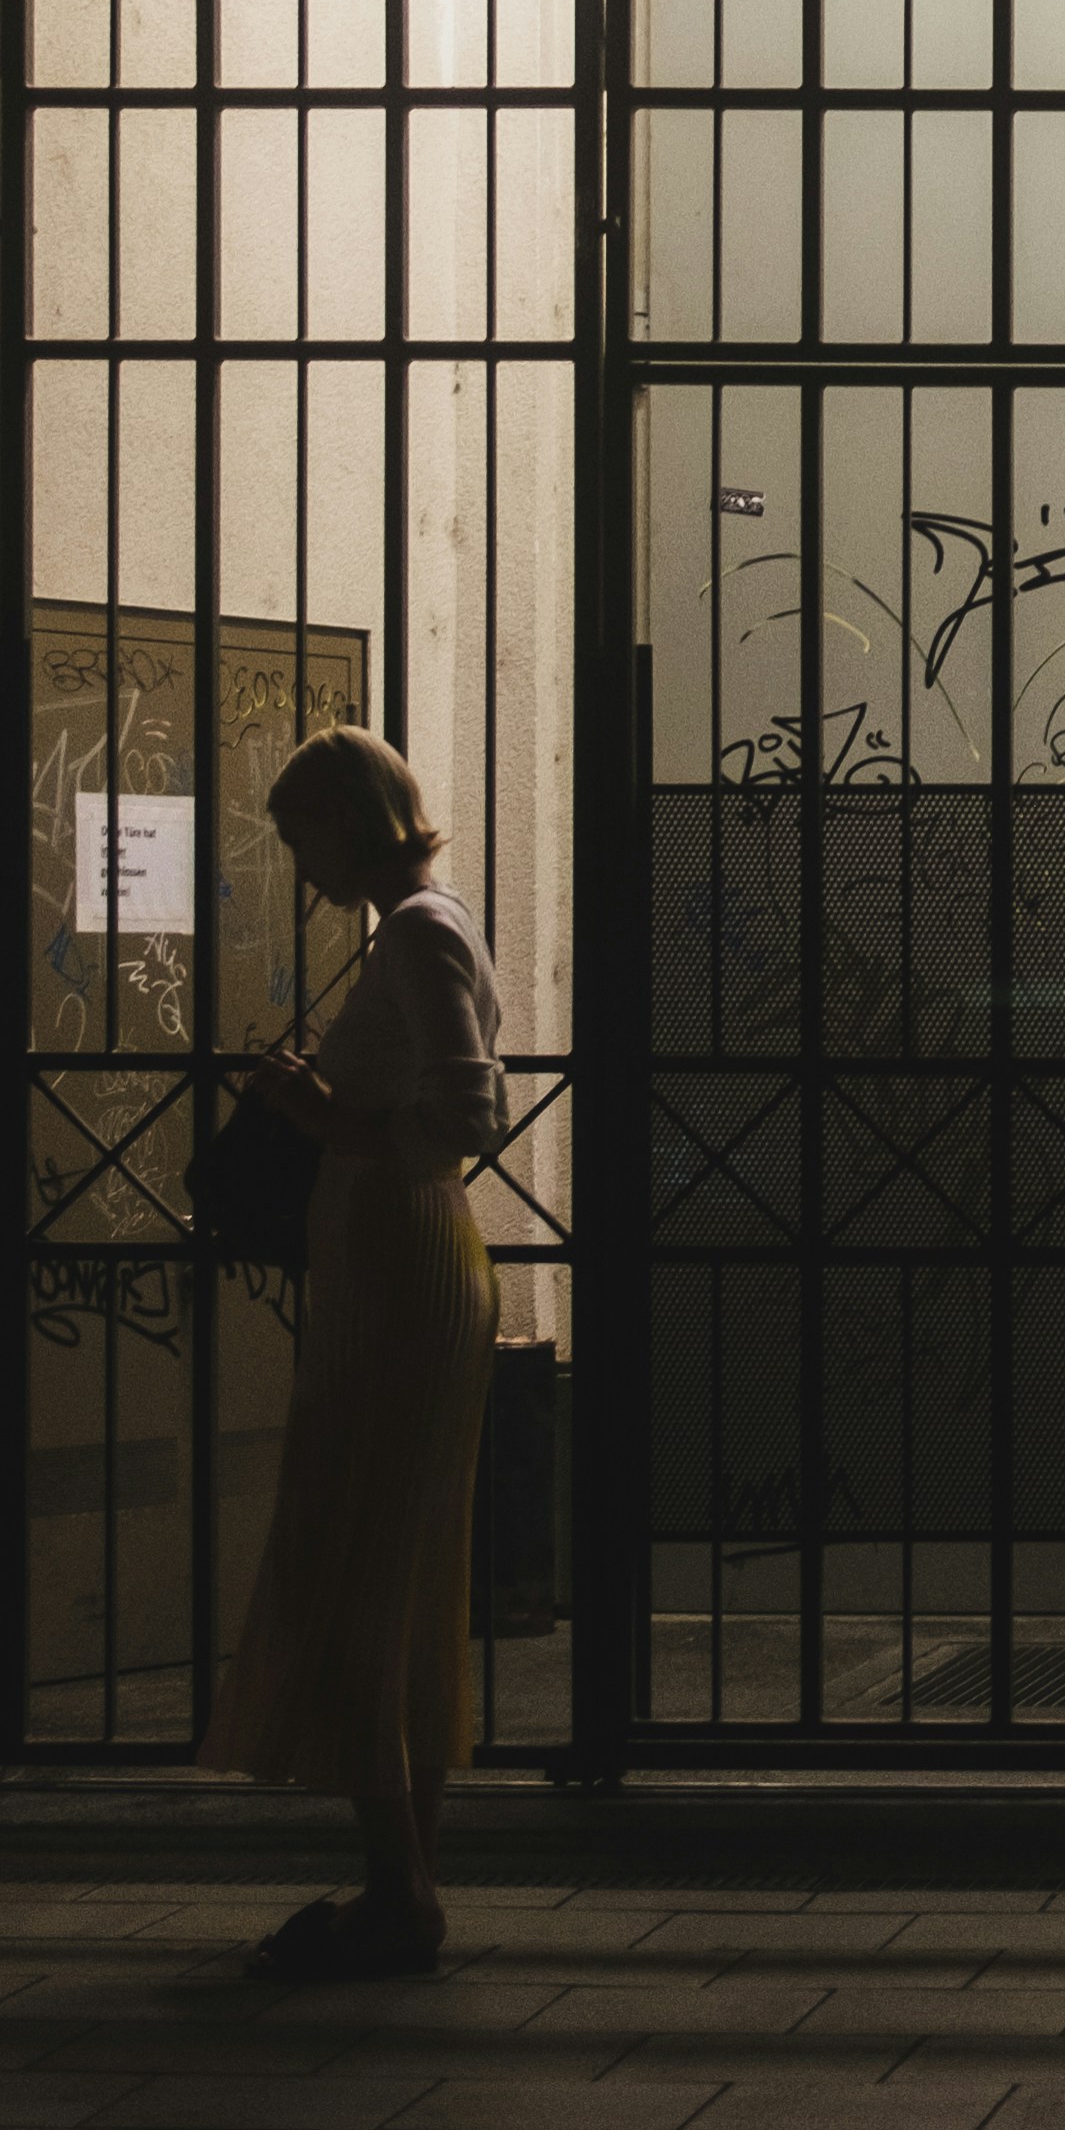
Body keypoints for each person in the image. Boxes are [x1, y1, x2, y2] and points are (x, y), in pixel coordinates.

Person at [197, 724, 506, 1981]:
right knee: (399, 1577)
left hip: (398, 1269)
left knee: (358, 1575)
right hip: (398, 1266)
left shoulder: (422, 931)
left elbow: (465, 1112)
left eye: (300, 833)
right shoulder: (430, 922)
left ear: (348, 819)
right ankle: (404, 1883)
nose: (296, 859)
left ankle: (401, 1889)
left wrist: (327, 1115)